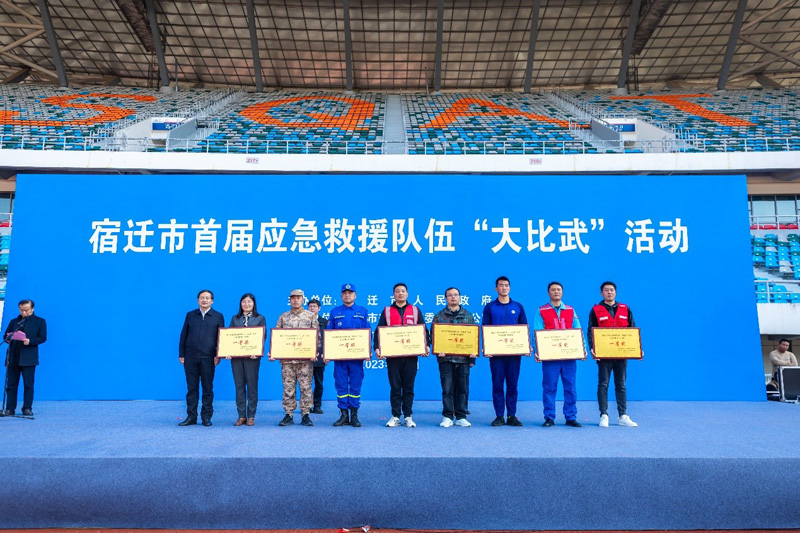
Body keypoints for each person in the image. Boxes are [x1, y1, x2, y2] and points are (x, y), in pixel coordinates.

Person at [374, 282, 430, 427]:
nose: (400, 293)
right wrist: (377, 348)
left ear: (407, 294)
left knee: (408, 387)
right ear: (393, 294)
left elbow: (424, 330)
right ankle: (395, 416)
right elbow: (378, 331)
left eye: (403, 291)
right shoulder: (386, 311)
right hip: (393, 357)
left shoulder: (415, 310)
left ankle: (408, 416)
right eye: (397, 291)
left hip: (411, 356)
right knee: (395, 387)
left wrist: (426, 345)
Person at [533, 281, 588, 428]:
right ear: (548, 293)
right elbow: (537, 332)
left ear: (562, 292)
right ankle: (549, 417)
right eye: (553, 290)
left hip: (568, 357)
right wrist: (538, 351)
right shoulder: (541, 311)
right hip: (550, 357)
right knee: (549, 387)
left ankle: (571, 417)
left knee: (570, 387)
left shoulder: (570, 310)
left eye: (558, 289)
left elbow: (578, 330)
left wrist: (583, 349)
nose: (556, 292)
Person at [588, 281, 638, 428]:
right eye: (606, 290)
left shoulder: (625, 308)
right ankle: (603, 415)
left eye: (611, 290)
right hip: (604, 354)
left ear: (615, 292)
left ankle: (623, 416)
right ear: (601, 293)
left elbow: (632, 330)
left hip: (621, 354)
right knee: (603, 384)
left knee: (621, 384)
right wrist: (592, 348)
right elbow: (591, 330)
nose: (609, 292)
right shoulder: (596, 310)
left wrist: (637, 347)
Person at [482, 276, 528, 427]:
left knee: (513, 385)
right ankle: (499, 416)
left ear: (510, 288)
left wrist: (526, 346)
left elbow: (523, 328)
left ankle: (511, 416)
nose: (504, 288)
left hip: (514, 355)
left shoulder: (518, 306)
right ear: (496, 288)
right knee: (497, 385)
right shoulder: (490, 307)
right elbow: (485, 328)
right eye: (501, 285)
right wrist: (486, 347)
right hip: (496, 355)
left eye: (506, 285)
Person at [272, 289, 319, 427]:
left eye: (298, 298)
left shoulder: (311, 316)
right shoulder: (283, 317)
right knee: (288, 387)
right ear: (290, 300)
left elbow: (317, 338)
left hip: (305, 361)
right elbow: (277, 338)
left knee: (306, 388)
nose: (296, 300)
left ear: (303, 299)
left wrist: (314, 352)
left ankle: (305, 414)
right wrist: (274, 352)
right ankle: (288, 414)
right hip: (287, 361)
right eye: (293, 298)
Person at [178, 290, 224, 427]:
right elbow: (183, 335)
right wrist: (182, 354)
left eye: (207, 298)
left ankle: (206, 417)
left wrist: (218, 355)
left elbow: (221, 338)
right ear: (198, 300)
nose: (204, 300)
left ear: (212, 301)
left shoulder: (218, 316)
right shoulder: (190, 315)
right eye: (202, 298)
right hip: (190, 357)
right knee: (192, 389)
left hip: (208, 358)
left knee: (207, 389)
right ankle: (191, 417)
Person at [432, 286, 476, 427]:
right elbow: (433, 337)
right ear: (446, 298)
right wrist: (438, 351)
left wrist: (472, 356)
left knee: (462, 388)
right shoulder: (439, 316)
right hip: (445, 359)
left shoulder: (468, 316)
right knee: (447, 388)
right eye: (450, 295)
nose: (453, 297)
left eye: (455, 295)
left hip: (463, 359)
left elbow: (473, 338)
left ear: (460, 297)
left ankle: (461, 416)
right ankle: (448, 416)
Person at [327, 283, 368, 427]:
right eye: (344, 293)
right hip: (340, 357)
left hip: (356, 357)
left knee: (356, 384)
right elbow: (329, 334)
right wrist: (328, 353)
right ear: (341, 295)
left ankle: (354, 415)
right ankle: (344, 414)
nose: (347, 295)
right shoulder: (335, 311)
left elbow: (367, 333)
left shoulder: (362, 311)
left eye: (350, 293)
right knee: (341, 384)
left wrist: (367, 351)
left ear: (355, 295)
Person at [2, 299, 46, 417]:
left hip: (29, 358)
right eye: (21, 310)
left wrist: (30, 341)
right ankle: (10, 409)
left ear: (32, 308)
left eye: (26, 310)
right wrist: (8, 339)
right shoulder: (14, 321)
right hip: (13, 357)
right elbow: (6, 335)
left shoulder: (40, 321)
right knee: (11, 385)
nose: (24, 313)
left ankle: (27, 408)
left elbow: (42, 337)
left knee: (28, 385)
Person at [226, 293, 265, 426]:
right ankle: (241, 415)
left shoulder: (260, 318)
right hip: (236, 358)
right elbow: (229, 336)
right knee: (239, 386)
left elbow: (263, 336)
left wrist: (257, 351)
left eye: (249, 302)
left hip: (252, 358)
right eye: (244, 302)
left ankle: (251, 416)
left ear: (253, 304)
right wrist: (227, 351)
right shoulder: (235, 318)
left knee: (252, 386)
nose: (246, 304)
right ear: (240, 304)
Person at [308, 298, 328, 415]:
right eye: (310, 306)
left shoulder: (324, 322)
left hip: (320, 358)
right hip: (306, 357)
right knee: (306, 384)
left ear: (319, 308)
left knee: (319, 383)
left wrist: (327, 355)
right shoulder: (304, 321)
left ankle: (317, 405)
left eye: (314, 306)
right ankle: (307, 406)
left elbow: (328, 339)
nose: (312, 308)